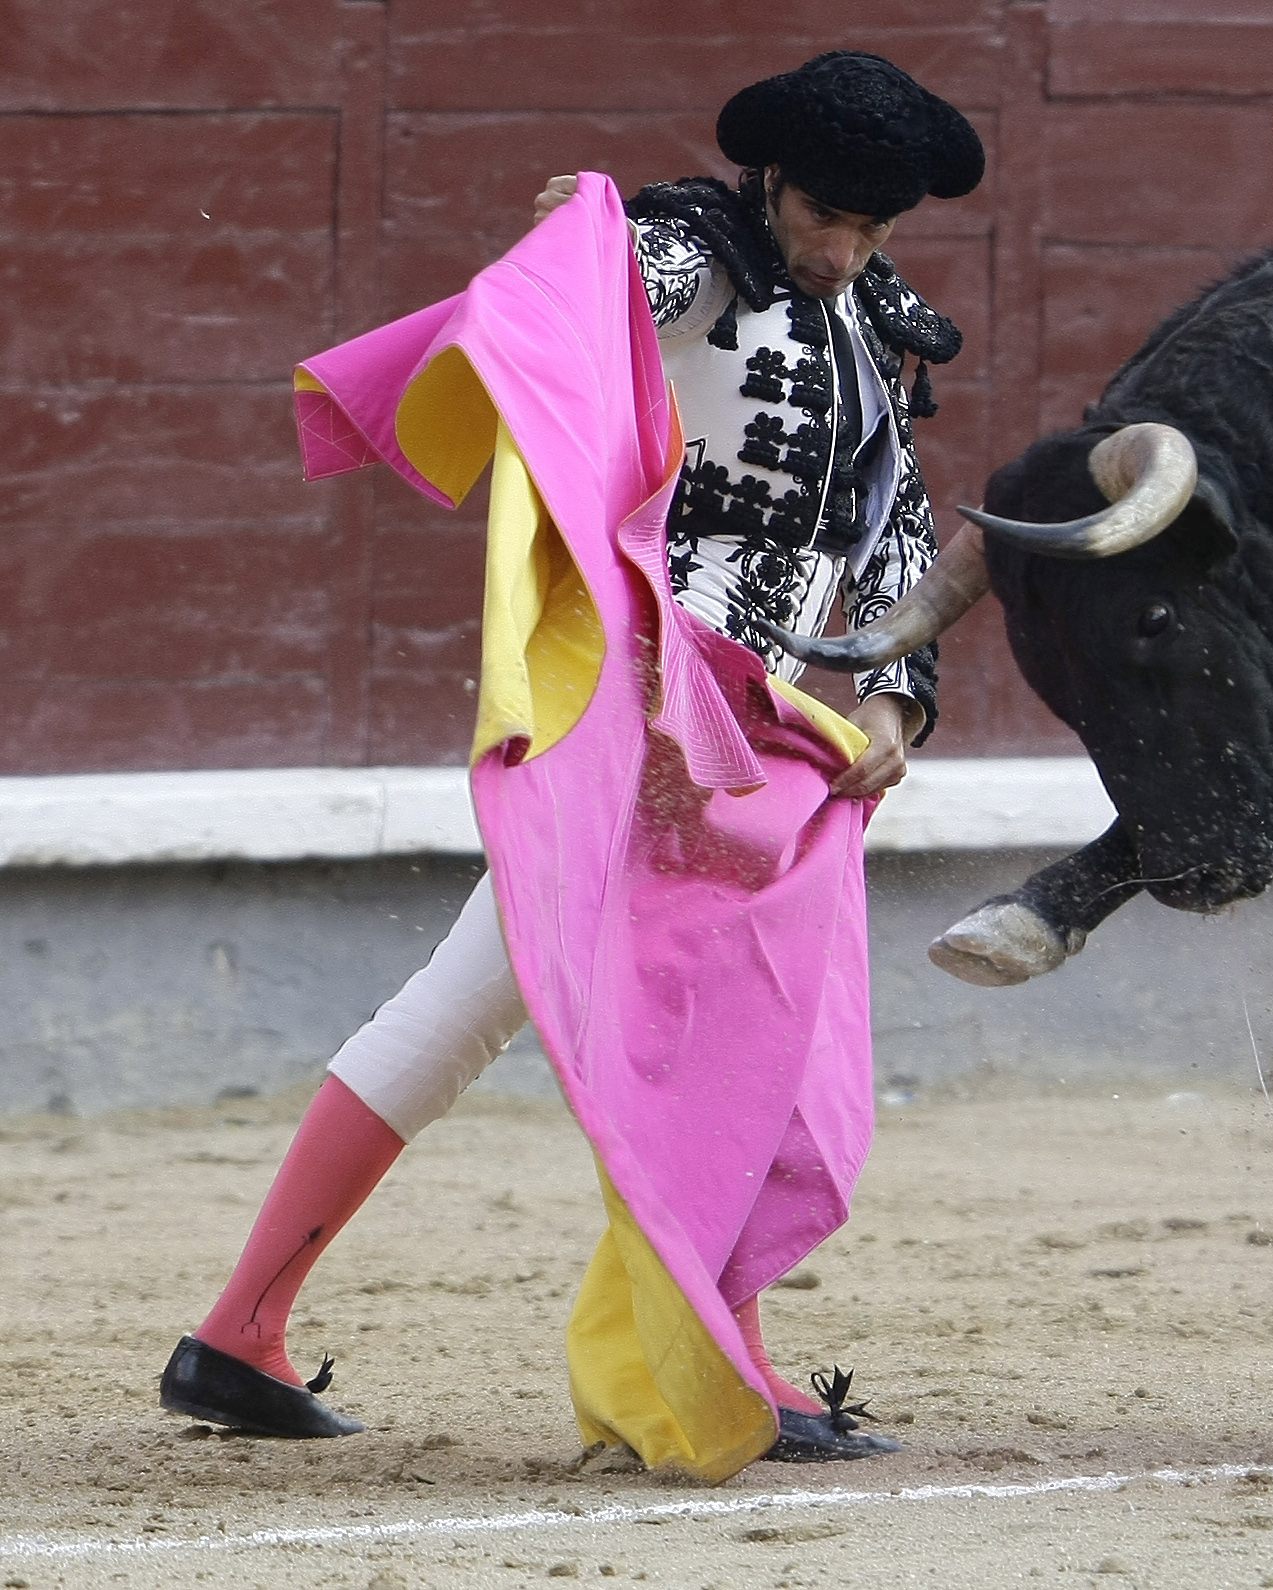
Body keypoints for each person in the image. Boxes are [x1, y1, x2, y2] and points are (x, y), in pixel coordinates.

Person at [158, 49, 980, 1463]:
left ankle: (240, 1329)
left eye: (874, 228)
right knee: (699, 1023)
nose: (845, 250)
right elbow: (554, 311)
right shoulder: (687, 255)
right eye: (827, 218)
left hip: (760, 727)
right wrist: (577, 246)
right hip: (644, 703)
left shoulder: (873, 331)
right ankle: (720, 1371)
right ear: (773, 181)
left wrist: (899, 690)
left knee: (507, 998)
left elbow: (895, 525)